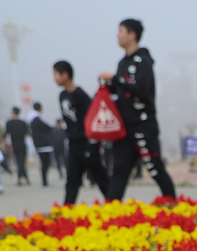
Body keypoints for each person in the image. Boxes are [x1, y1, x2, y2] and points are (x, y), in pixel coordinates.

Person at [99, 18, 177, 201]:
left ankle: (174, 205)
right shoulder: (122, 63)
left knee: (154, 167)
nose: (117, 35)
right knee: (119, 171)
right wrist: (109, 87)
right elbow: (122, 91)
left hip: (143, 125)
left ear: (132, 35)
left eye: (121, 31)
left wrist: (115, 80)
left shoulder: (144, 61)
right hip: (124, 128)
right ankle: (112, 212)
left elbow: (142, 89)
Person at [54, 60, 110, 204]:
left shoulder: (80, 95)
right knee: (72, 180)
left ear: (65, 75)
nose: (54, 78)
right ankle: (67, 211)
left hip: (87, 143)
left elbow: (92, 119)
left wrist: (93, 144)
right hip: (73, 145)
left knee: (99, 177)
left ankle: (114, 204)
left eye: (56, 74)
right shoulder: (62, 96)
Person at [28, 102, 55, 187]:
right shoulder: (37, 120)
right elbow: (48, 128)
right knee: (45, 163)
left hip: (39, 144)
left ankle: (45, 182)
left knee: (45, 163)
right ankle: (45, 182)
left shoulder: (33, 120)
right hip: (43, 145)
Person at [5, 107, 29, 184]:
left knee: (19, 162)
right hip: (22, 144)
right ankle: (25, 178)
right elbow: (27, 133)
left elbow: (6, 133)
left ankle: (21, 179)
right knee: (21, 162)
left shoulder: (9, 123)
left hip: (15, 144)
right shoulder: (23, 123)